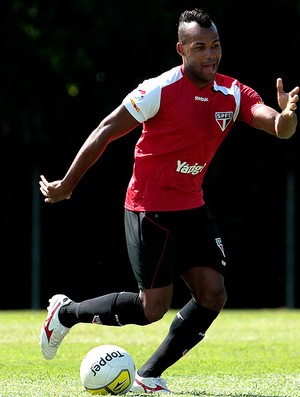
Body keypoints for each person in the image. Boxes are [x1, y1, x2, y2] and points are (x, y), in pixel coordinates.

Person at [39, 8, 298, 394]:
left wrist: (287, 117)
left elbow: (275, 126)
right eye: (200, 47)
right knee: (151, 309)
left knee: (212, 293)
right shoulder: (158, 89)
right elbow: (105, 130)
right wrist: (66, 185)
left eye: (216, 46)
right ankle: (66, 313)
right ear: (181, 50)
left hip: (192, 208)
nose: (211, 55)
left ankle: (148, 375)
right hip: (149, 208)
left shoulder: (230, 91)